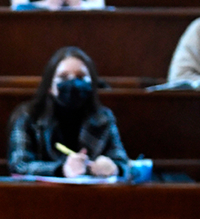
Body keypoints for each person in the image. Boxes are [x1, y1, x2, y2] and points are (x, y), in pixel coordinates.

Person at [8, 46, 128, 177]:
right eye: (63, 77)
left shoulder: (103, 117)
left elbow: (124, 163)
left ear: (92, 83)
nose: (73, 83)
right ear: (49, 86)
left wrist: (114, 168)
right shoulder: (29, 116)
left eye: (81, 77)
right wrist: (61, 169)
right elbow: (19, 165)